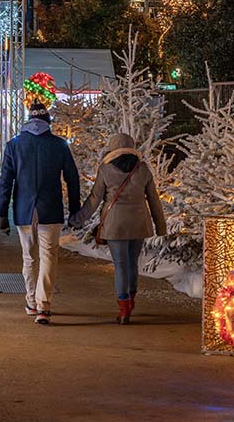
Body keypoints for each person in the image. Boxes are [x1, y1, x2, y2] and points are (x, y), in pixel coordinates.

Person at [0, 103, 80, 325]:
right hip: (50, 208)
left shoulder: (14, 145)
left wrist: (2, 213)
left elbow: (6, 182)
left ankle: (31, 301)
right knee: (48, 256)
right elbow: (72, 179)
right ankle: (44, 305)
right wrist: (75, 210)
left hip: (23, 209)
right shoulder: (59, 145)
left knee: (28, 257)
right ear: (48, 121)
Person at [69, 133, 166, 325]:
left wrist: (77, 220)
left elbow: (94, 199)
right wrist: (160, 226)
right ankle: (131, 302)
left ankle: (123, 310)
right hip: (139, 222)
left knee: (121, 264)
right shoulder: (143, 169)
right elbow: (154, 199)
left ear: (112, 149)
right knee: (133, 263)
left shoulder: (106, 169)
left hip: (115, 224)